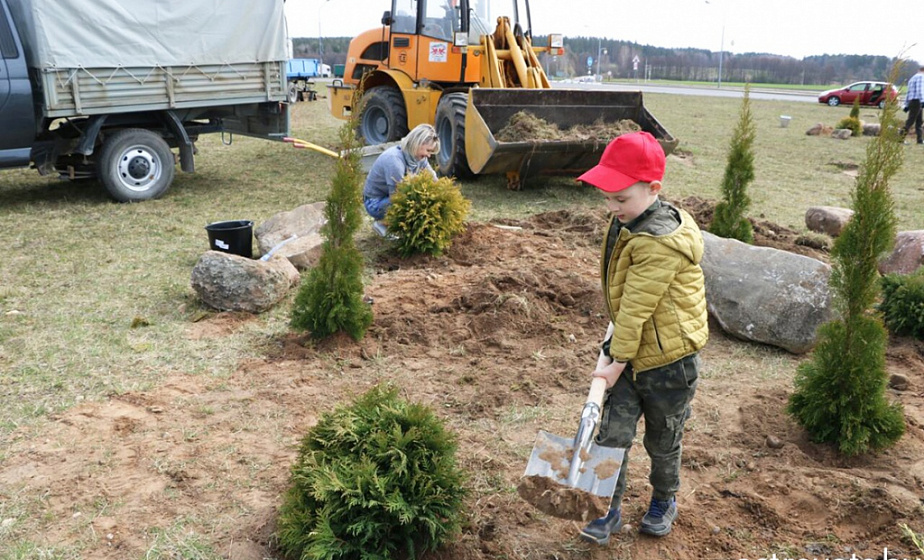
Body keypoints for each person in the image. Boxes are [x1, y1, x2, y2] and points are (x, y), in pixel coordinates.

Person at [574, 131, 709, 544]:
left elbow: (634, 311)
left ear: (653, 190)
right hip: (632, 349)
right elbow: (625, 306)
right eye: (607, 198)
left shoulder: (659, 243)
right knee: (612, 435)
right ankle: (608, 508)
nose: (612, 207)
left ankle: (664, 499)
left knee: (662, 440)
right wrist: (616, 351)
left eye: (620, 198)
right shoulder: (630, 218)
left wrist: (611, 364)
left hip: (670, 363)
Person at [363, 124, 440, 236]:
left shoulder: (418, 157)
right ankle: (383, 223)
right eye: (428, 150)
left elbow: (433, 178)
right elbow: (397, 197)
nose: (429, 155)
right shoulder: (394, 160)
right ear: (418, 143)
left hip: (389, 196)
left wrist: (442, 193)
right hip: (375, 202)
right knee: (415, 201)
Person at [901, 66, 924, 145]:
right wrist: (922, 101)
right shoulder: (921, 77)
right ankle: (900, 138)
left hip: (912, 101)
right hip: (917, 101)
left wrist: (906, 104)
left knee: (919, 121)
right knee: (911, 121)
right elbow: (919, 90)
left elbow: (908, 93)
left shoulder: (912, 78)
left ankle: (920, 139)